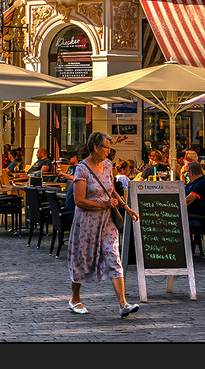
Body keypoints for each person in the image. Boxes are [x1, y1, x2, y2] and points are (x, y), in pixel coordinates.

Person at [67, 131, 139, 317]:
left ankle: (123, 304)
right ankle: (75, 298)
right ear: (95, 148)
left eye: (109, 147)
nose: (109, 150)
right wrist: (103, 204)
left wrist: (126, 207)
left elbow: (111, 190)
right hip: (87, 222)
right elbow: (79, 200)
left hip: (107, 221)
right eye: (106, 147)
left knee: (113, 255)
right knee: (83, 259)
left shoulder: (108, 165)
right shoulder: (82, 169)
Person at [183, 162, 205, 257]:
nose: (186, 174)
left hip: (198, 218)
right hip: (190, 215)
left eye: (187, 172)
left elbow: (189, 199)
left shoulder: (201, 184)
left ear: (191, 173)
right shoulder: (192, 183)